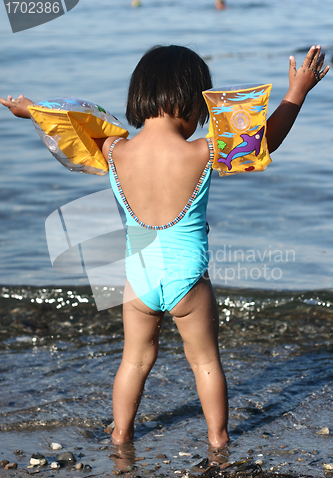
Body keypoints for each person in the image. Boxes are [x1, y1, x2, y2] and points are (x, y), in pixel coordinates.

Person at [0, 45, 329, 448]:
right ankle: (218, 439)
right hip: (187, 276)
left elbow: (68, 122)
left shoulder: (114, 151)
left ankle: (121, 434)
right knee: (204, 361)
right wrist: (297, 92)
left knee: (134, 360)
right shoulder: (202, 150)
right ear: (193, 102)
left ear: (140, 96)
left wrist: (31, 110)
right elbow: (265, 140)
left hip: (137, 277)